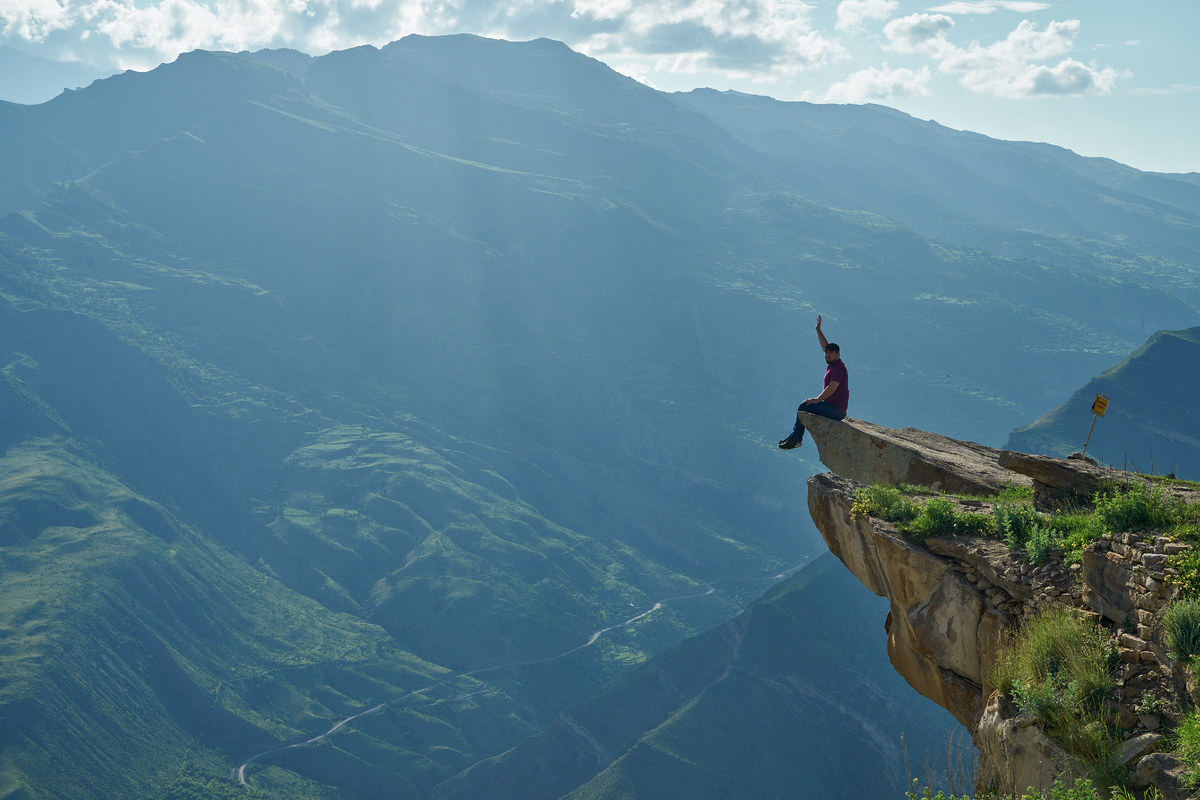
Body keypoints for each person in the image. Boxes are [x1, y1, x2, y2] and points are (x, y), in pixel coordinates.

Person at [779, 315, 848, 450]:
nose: (827, 355)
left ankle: (796, 439)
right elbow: (825, 346)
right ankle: (794, 436)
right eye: (826, 353)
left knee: (803, 406)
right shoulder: (834, 364)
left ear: (838, 354)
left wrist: (817, 399)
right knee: (805, 405)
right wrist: (818, 330)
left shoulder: (839, 368)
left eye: (831, 353)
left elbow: (832, 387)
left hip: (836, 410)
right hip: (832, 407)